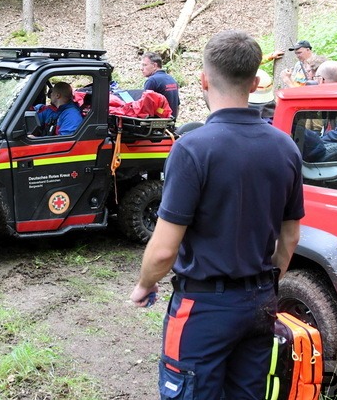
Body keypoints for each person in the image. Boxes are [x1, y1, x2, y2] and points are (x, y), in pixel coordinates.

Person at [130, 30, 304, 399]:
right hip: (261, 301)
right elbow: (289, 239)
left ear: (204, 80)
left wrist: (145, 285)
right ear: (256, 82)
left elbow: (163, 250)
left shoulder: (192, 148)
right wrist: (264, 285)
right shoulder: (286, 146)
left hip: (204, 307)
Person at [141, 52, 180, 118]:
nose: (141, 68)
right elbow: (177, 106)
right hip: (170, 122)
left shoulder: (152, 81)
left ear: (154, 66)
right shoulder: (171, 79)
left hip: (156, 124)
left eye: (144, 65)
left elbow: (144, 107)